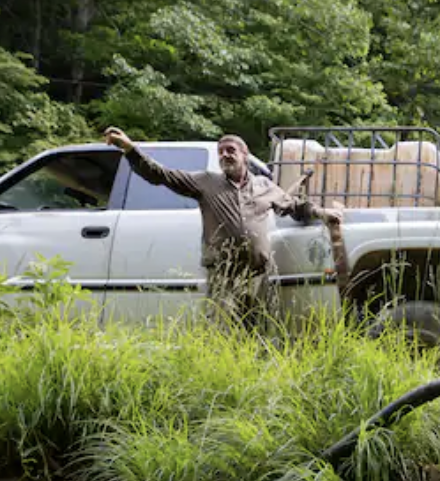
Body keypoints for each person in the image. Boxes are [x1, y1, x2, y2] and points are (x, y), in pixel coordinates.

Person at [102, 127, 347, 331]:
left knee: (259, 331)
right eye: (221, 152)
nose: (225, 155)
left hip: (258, 275)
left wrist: (321, 213)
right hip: (224, 275)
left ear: (245, 154)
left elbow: (294, 206)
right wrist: (130, 149)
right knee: (221, 332)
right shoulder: (206, 182)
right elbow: (161, 175)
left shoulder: (265, 185)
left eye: (231, 150)